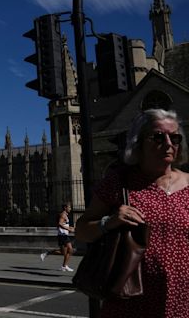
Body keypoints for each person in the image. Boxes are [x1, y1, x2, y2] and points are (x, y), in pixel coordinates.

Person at [75, 109, 189, 317]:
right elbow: (81, 231)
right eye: (157, 136)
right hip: (131, 301)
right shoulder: (119, 182)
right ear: (139, 143)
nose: (168, 143)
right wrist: (109, 221)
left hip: (183, 302)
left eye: (174, 137)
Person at [40, 202, 75, 271]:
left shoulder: (66, 215)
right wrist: (68, 229)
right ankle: (63, 265)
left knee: (68, 251)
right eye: (69, 207)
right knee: (67, 251)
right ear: (65, 208)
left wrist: (71, 228)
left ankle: (64, 266)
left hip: (65, 235)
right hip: (62, 236)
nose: (70, 209)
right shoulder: (63, 215)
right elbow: (60, 224)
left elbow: (64, 224)